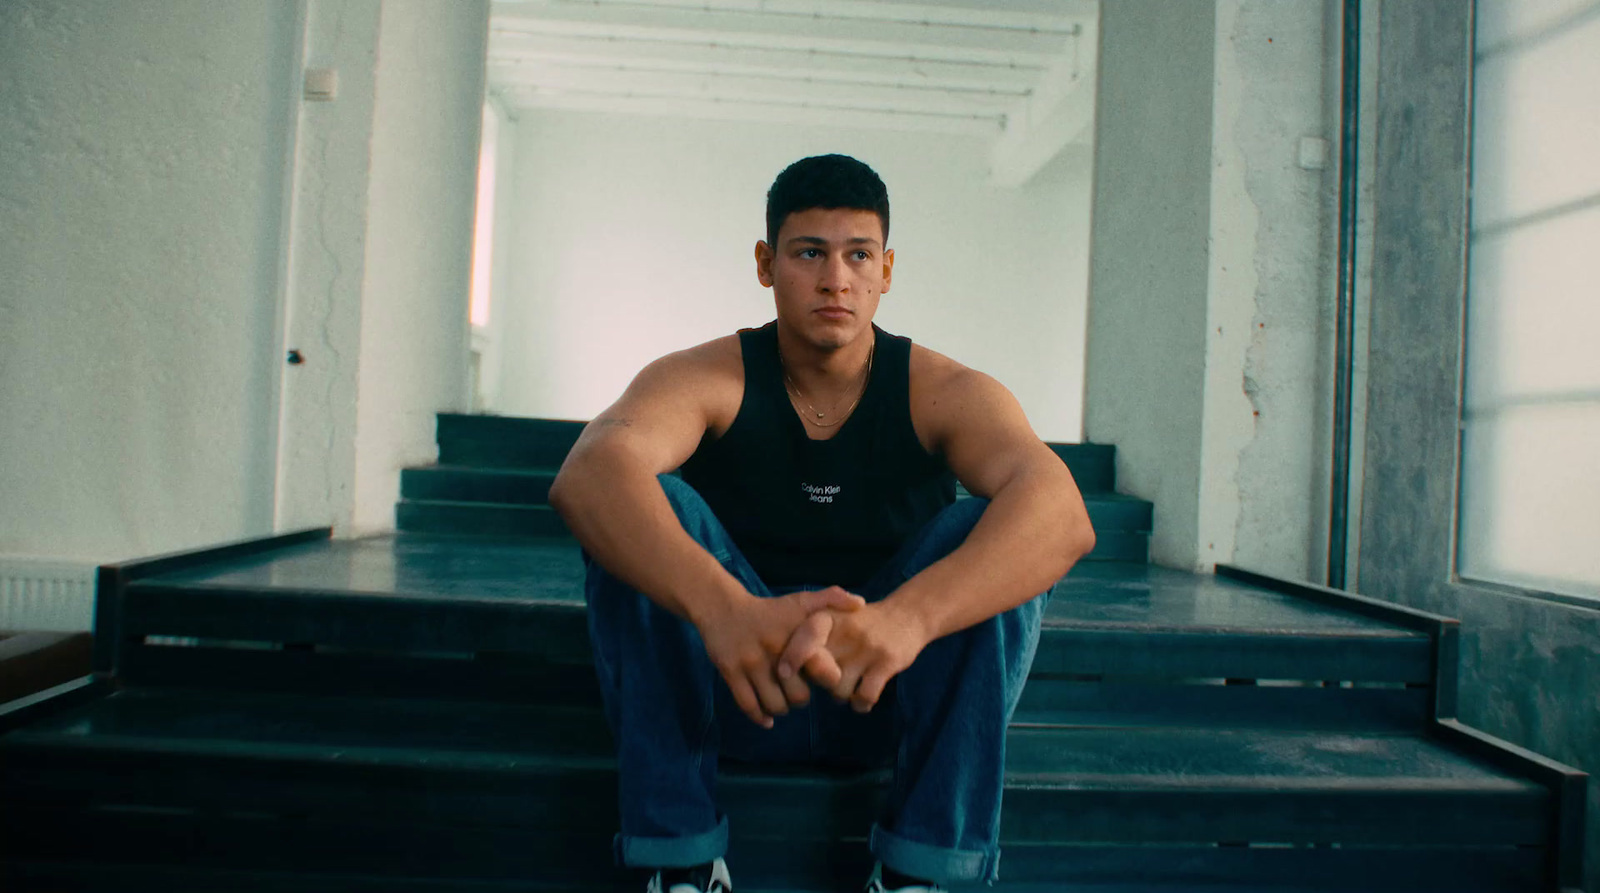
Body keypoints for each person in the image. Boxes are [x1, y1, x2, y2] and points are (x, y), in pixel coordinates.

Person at [548, 154, 1095, 893]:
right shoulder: (709, 377)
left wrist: (906, 619)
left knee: (989, 526)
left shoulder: (942, 390)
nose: (836, 278)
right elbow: (585, 476)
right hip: (739, 688)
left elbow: (1063, 516)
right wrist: (724, 610)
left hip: (888, 694)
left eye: (858, 254)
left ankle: (917, 875)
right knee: (648, 502)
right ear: (767, 264)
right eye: (810, 253)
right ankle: (679, 864)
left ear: (887, 270)